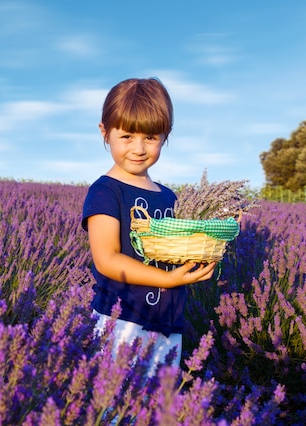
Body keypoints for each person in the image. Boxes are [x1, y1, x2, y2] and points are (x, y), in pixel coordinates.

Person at [81, 77, 216, 375]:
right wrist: (167, 280)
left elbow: (178, 250)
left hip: (168, 324)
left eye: (151, 137)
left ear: (165, 136)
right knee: (112, 405)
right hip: (120, 320)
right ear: (105, 132)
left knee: (159, 405)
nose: (139, 148)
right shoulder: (106, 190)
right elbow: (106, 259)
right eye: (127, 136)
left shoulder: (169, 196)